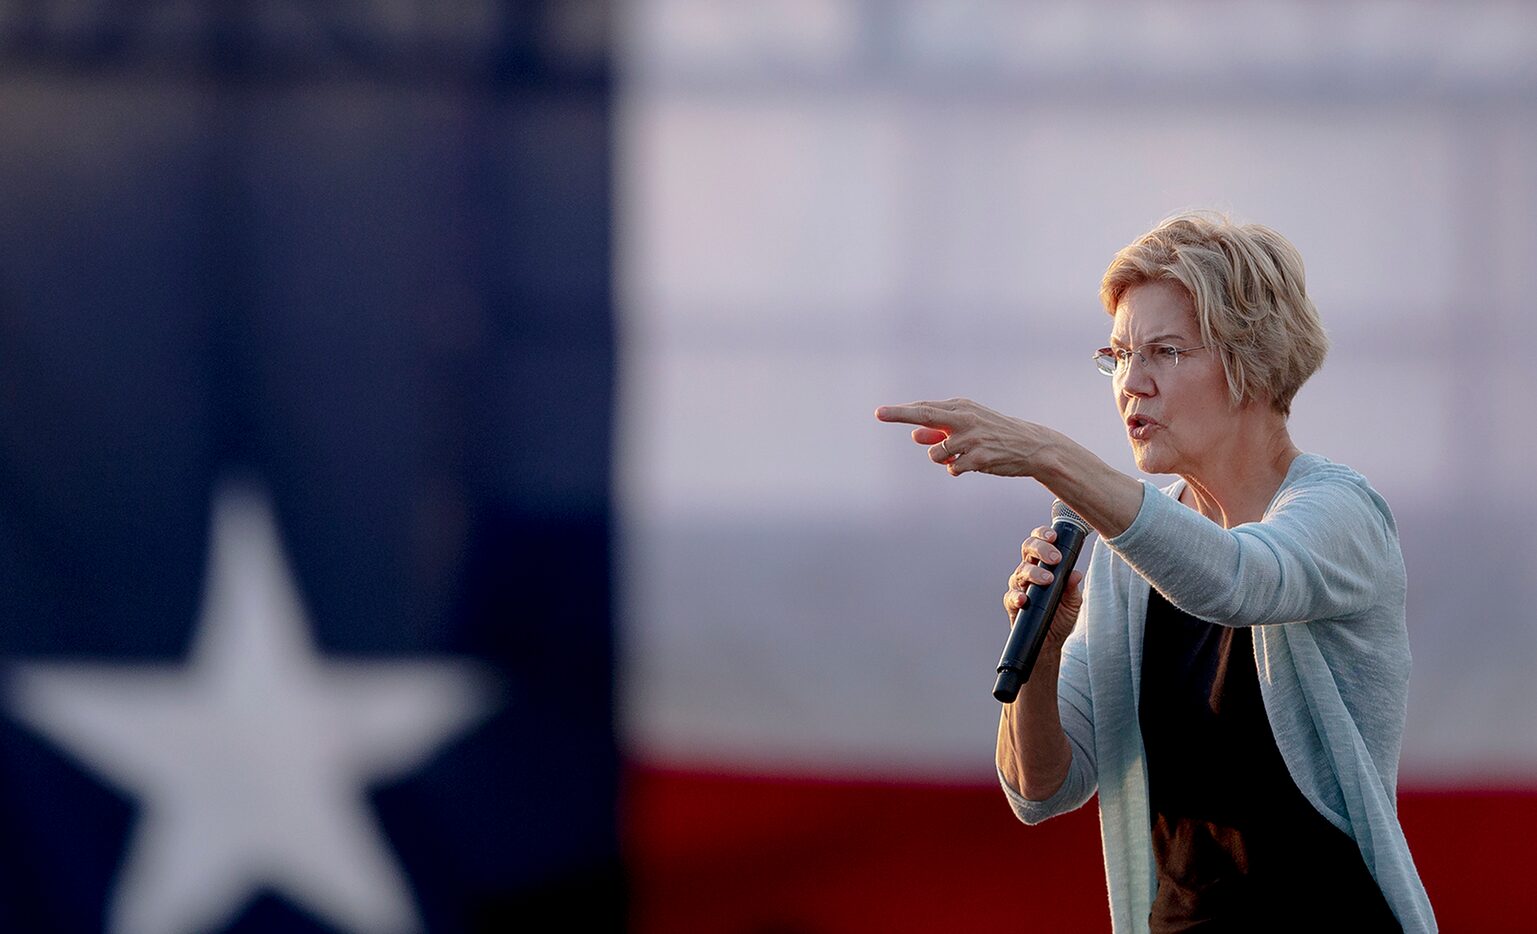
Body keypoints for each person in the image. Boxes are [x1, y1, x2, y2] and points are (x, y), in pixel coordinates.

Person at [875, 213, 1435, 932]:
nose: (1130, 385)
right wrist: (1041, 661)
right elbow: (1039, 789)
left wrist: (1052, 457)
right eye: (1116, 355)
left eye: (1164, 352)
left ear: (1253, 363)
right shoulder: (1123, 555)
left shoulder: (1338, 512)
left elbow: (1236, 583)